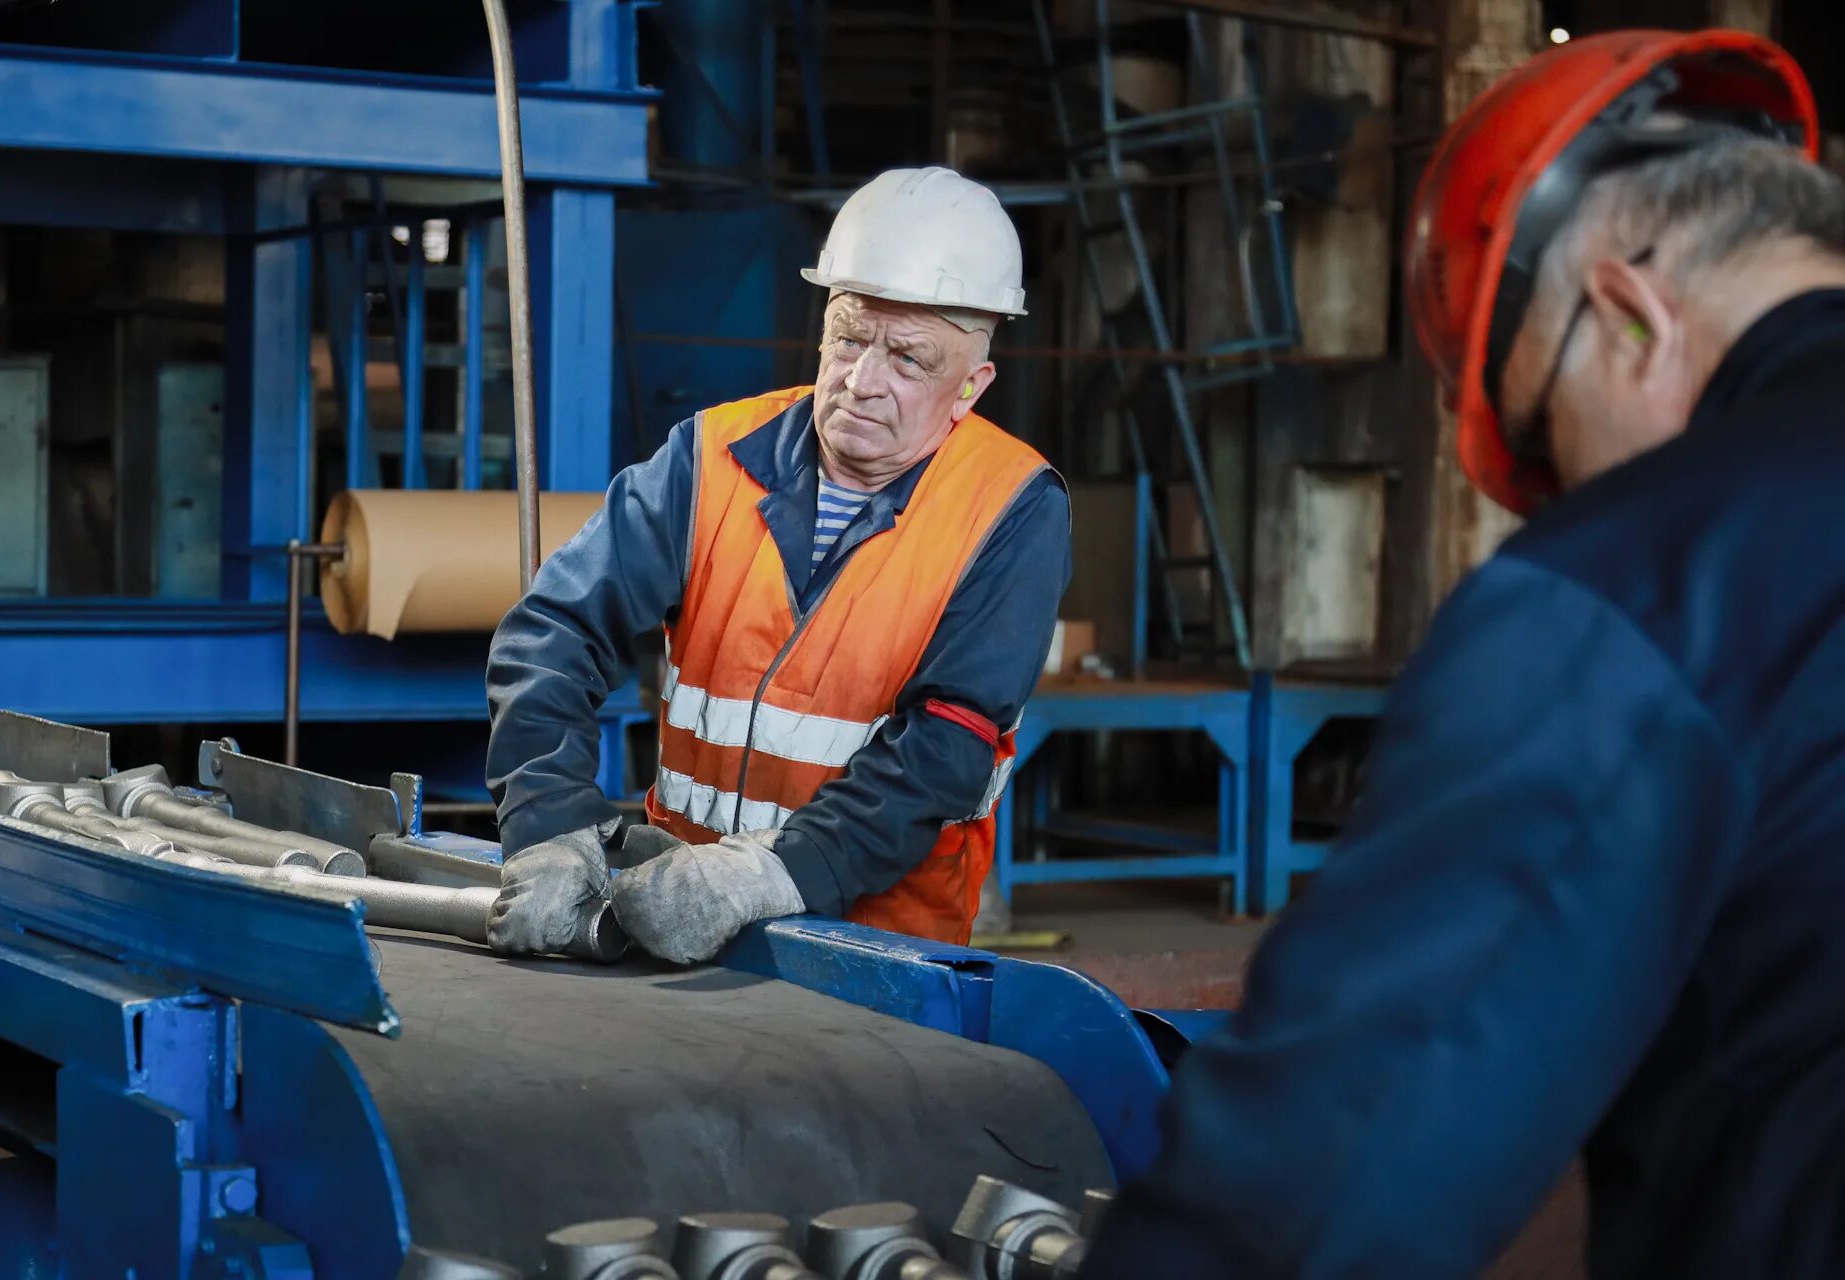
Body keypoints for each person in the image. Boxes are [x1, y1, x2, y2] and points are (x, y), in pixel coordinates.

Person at [1084, 29, 1845, 1279]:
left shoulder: (1646, 574)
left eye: (1542, 443)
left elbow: (1321, 1182)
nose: (1548, 502)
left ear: (1628, 314)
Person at [484, 167, 1070, 965]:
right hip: (667, 918)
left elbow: (948, 746)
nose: (862, 383)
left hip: (878, 951)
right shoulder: (709, 459)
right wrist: (548, 824)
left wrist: (776, 873)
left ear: (971, 385)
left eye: (908, 359)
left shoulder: (1012, 508)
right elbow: (555, 629)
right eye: (850, 337)